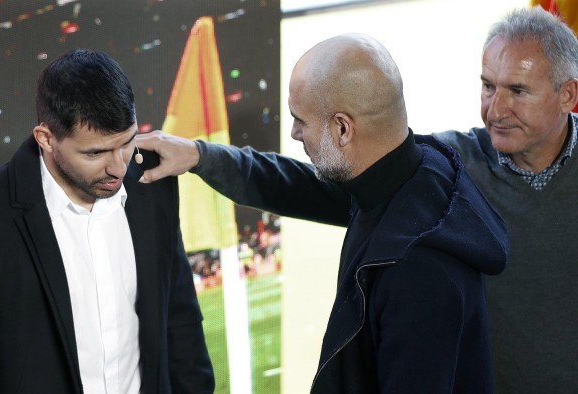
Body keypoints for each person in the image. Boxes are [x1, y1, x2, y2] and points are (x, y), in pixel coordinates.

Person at [136, 33, 509, 392]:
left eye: (301, 119)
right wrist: (201, 156)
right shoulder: (416, 171)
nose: (296, 133)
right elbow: (292, 185)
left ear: (343, 128)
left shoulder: (416, 267)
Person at [0, 49, 214, 393]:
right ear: (46, 138)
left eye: (126, 143)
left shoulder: (153, 179)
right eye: (95, 153)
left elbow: (180, 321)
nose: (119, 167)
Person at [433, 6, 578, 393]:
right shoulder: (449, 164)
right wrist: (247, 169)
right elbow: (351, 180)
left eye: (517, 90)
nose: (495, 110)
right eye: (488, 86)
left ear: (567, 94)